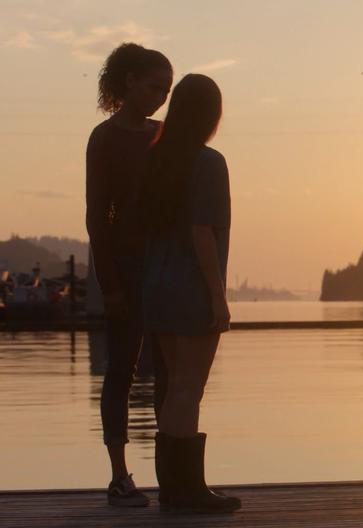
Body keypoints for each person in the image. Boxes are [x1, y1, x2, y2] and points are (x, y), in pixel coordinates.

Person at [141, 73, 240, 513]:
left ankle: (174, 489)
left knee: (175, 388)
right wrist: (218, 297)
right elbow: (203, 234)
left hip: (158, 286)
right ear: (212, 114)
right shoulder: (208, 162)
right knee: (187, 388)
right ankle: (188, 491)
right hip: (191, 287)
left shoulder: (158, 158)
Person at [86, 42, 172, 507]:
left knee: (169, 372)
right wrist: (110, 284)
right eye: (154, 86)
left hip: (166, 267)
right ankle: (120, 476)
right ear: (129, 82)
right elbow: (97, 217)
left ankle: (175, 475)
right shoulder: (105, 138)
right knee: (121, 370)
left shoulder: (167, 135)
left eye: (167, 89)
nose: (161, 96)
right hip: (125, 265)